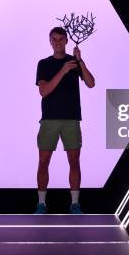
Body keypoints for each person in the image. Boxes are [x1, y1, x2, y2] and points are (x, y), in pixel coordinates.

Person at [34, 27, 95, 214]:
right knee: (43, 162)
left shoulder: (74, 62)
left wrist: (79, 61)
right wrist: (63, 71)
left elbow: (91, 83)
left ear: (67, 41)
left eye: (61, 39)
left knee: (74, 162)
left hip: (71, 119)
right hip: (49, 119)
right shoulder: (43, 64)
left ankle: (75, 204)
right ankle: (41, 204)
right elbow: (43, 91)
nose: (58, 42)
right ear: (50, 42)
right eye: (54, 39)